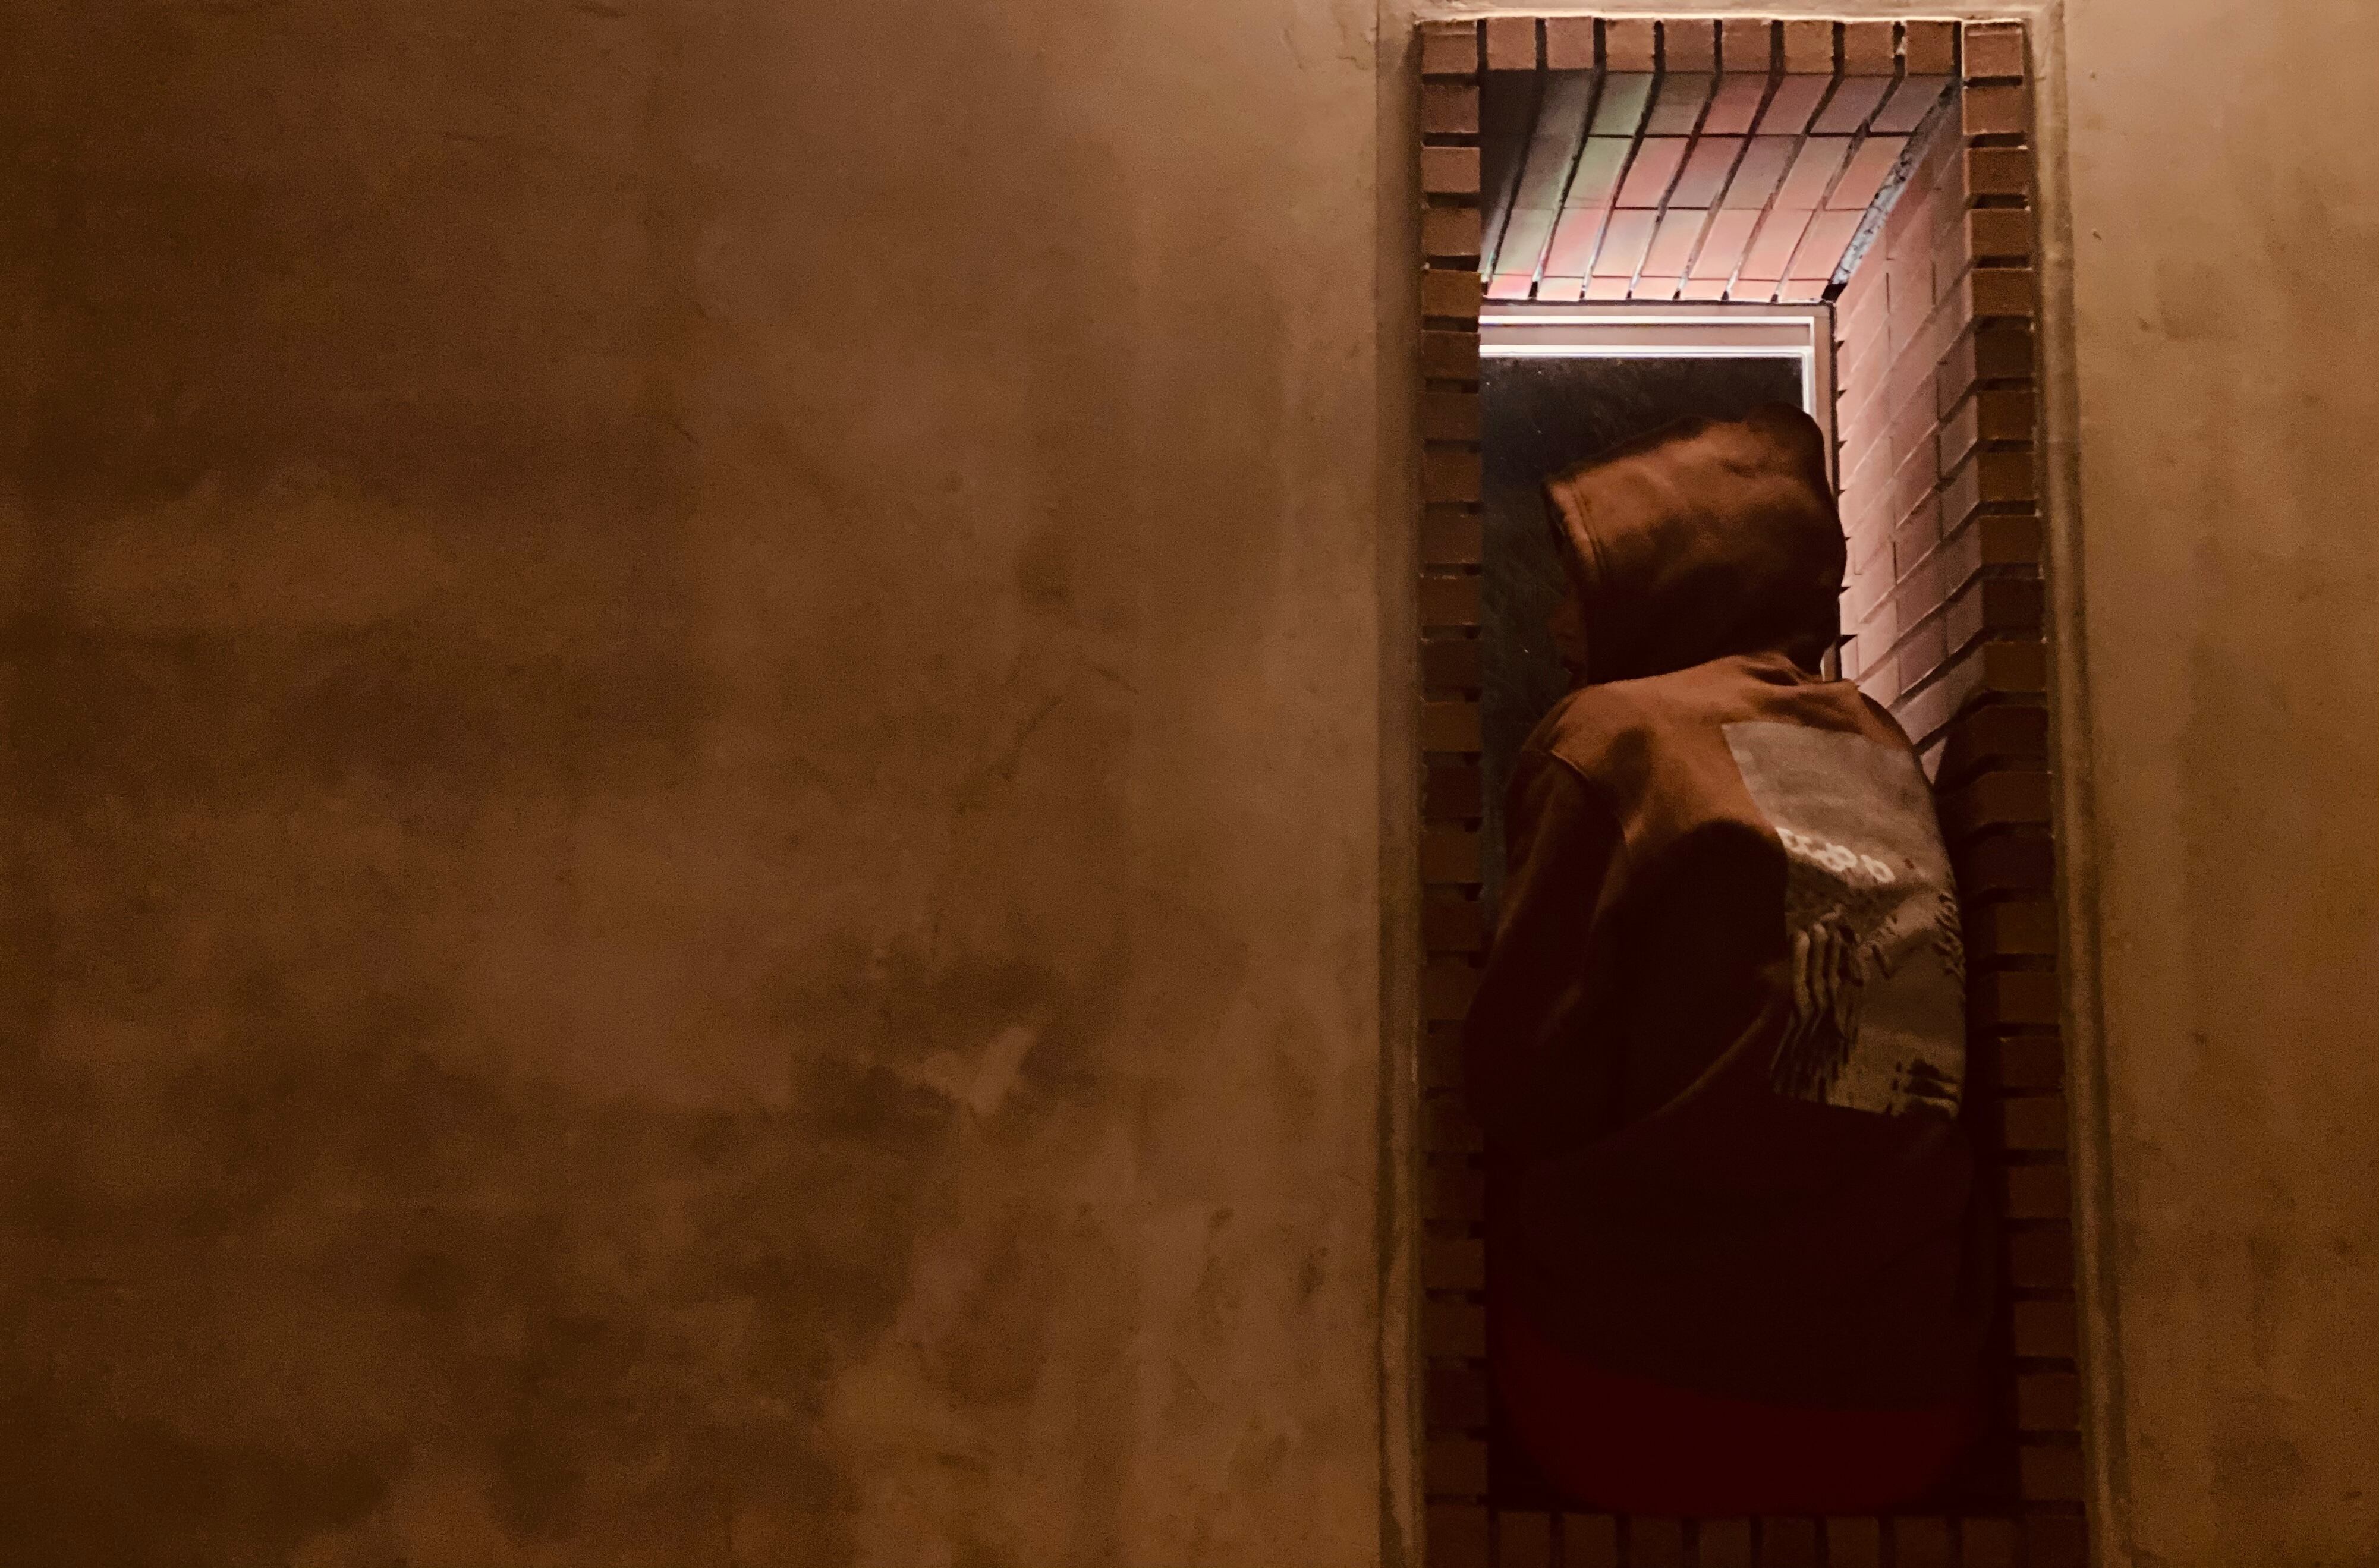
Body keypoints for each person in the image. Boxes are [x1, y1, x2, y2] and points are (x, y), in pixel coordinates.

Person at [1462, 405, 1991, 1517]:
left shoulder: (1611, 737)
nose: (1556, 624)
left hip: (1649, 1393)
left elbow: (1520, 1076)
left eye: (1583, 585)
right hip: (1905, 1401)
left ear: (1668, 580)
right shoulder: (1878, 740)